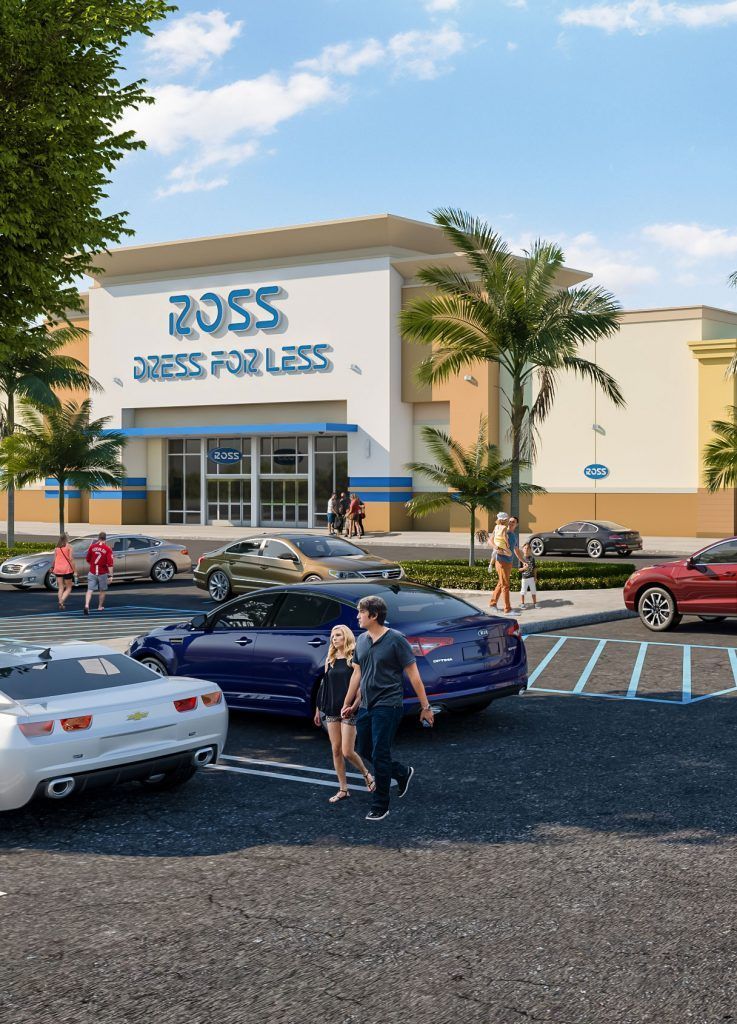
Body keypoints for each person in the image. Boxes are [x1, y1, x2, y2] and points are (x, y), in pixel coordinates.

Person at [342, 594, 434, 822]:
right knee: (363, 749)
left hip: (388, 704)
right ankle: (402, 772)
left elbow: (414, 675)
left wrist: (426, 707)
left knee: (380, 753)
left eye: (361, 612)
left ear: (373, 615)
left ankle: (380, 805)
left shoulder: (396, 640)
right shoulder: (361, 640)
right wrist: (347, 702)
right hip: (366, 705)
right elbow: (357, 673)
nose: (357, 616)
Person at [313, 624, 376, 803]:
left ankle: (367, 775)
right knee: (335, 750)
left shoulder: (353, 658)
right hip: (331, 708)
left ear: (346, 637)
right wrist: (318, 709)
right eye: (332, 636)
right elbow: (324, 686)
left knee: (347, 751)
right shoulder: (330, 659)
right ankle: (343, 789)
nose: (334, 638)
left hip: (349, 709)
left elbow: (360, 686)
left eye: (338, 635)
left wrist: (354, 705)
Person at [84, 531, 114, 615]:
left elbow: (88, 559)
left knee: (89, 590)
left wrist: (93, 564)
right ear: (105, 539)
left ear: (98, 538)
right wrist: (111, 575)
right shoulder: (108, 549)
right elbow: (110, 564)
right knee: (102, 590)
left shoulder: (92, 547)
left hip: (92, 572)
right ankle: (100, 606)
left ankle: (86, 605)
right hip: (102, 573)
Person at [489, 512, 513, 613]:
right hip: (501, 561)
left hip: (508, 562)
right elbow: (490, 540)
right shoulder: (503, 529)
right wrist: (496, 547)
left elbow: (516, 549)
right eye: (509, 521)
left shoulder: (513, 534)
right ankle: (507, 609)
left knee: (501, 583)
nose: (510, 523)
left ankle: (493, 603)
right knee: (505, 585)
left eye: (513, 522)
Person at [52, 533, 75, 611]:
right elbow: (71, 559)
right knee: (69, 587)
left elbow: (54, 559)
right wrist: (74, 570)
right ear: (66, 538)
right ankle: (61, 601)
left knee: (61, 587)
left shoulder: (56, 548)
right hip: (66, 569)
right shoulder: (69, 547)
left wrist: (52, 567)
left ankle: (61, 604)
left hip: (58, 568)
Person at [519, 541, 538, 610]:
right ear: (523, 549)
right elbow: (519, 569)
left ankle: (535, 603)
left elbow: (535, 569)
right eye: (525, 548)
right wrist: (524, 568)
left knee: (533, 591)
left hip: (531, 578)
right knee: (523, 591)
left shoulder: (532, 559)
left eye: (528, 548)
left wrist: (535, 577)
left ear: (530, 550)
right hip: (524, 578)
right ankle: (522, 603)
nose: (526, 550)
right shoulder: (521, 559)